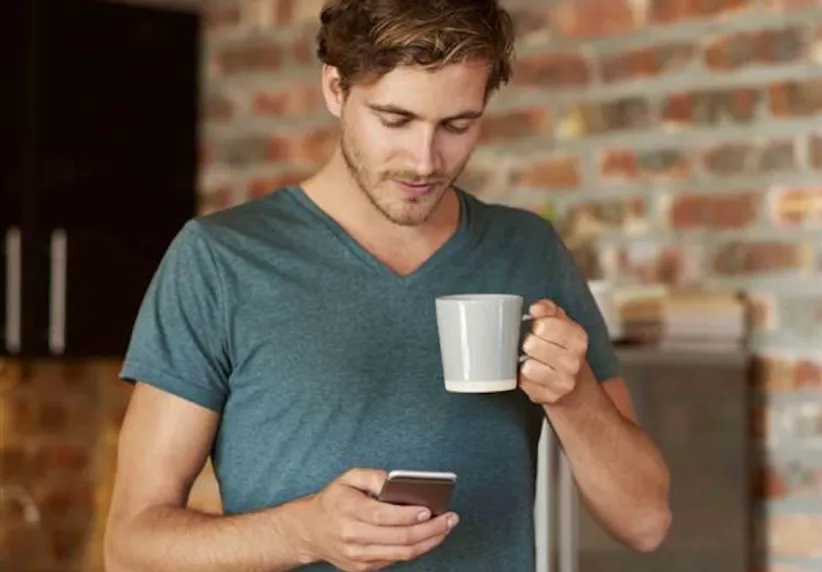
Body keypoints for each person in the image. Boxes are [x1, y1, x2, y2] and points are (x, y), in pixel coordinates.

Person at [102, 0, 672, 570]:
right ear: (334, 89)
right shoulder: (220, 260)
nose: (424, 160)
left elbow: (645, 522)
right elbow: (131, 546)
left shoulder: (527, 251)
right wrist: (302, 532)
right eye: (395, 120)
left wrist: (574, 397)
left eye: (457, 125)